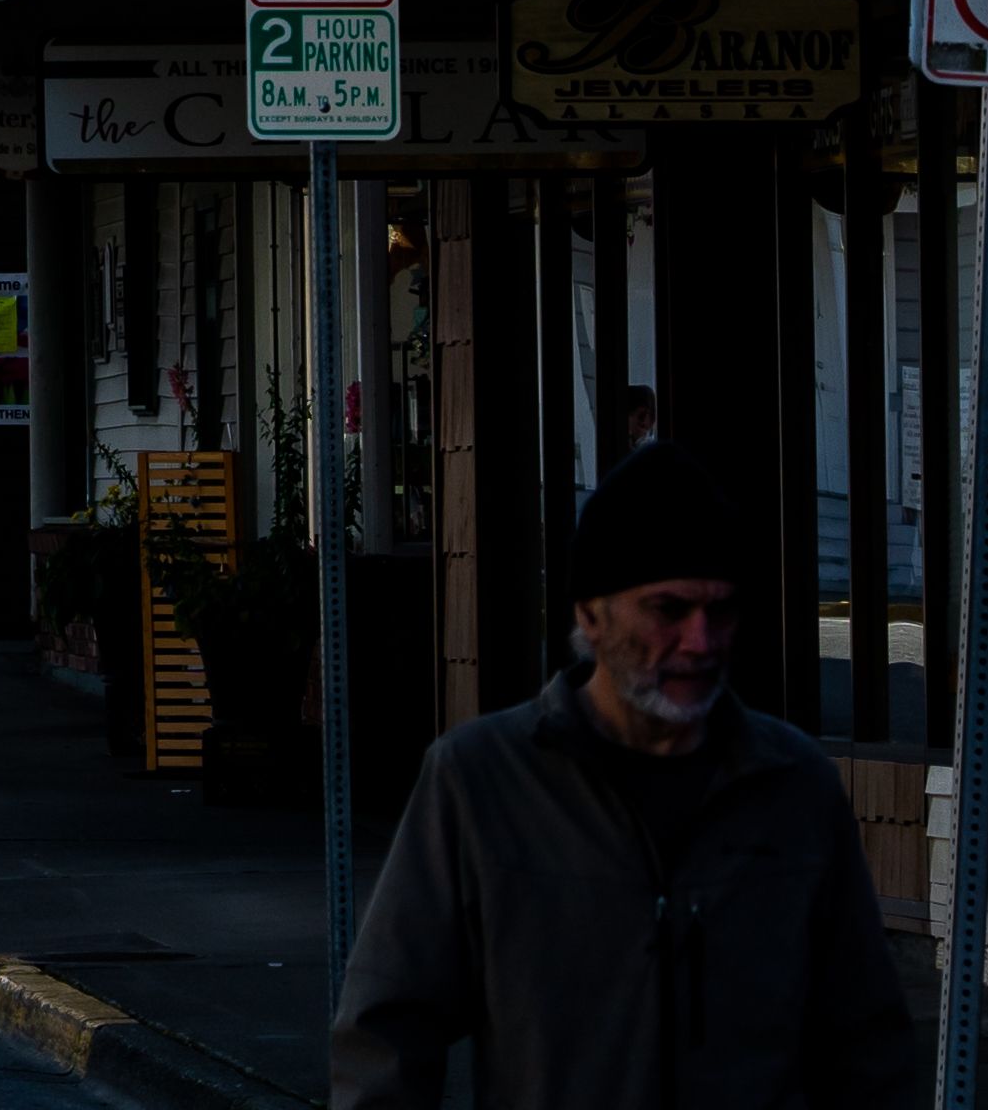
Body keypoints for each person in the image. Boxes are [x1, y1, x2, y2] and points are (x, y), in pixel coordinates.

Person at [331, 438, 920, 1110]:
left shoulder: (794, 785)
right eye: (668, 610)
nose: (700, 642)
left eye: (720, 611)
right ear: (591, 614)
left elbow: (867, 1039)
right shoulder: (481, 781)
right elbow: (386, 1032)